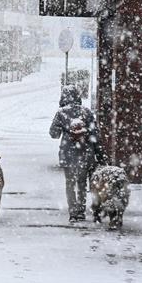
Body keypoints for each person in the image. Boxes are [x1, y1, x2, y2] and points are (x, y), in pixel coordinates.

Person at [49, 85, 101, 222]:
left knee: (70, 183)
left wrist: (64, 129)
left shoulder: (61, 113)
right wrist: (98, 153)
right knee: (82, 183)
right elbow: (95, 134)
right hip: (85, 152)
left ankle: (73, 212)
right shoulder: (87, 112)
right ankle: (81, 210)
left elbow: (53, 134)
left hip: (68, 153)